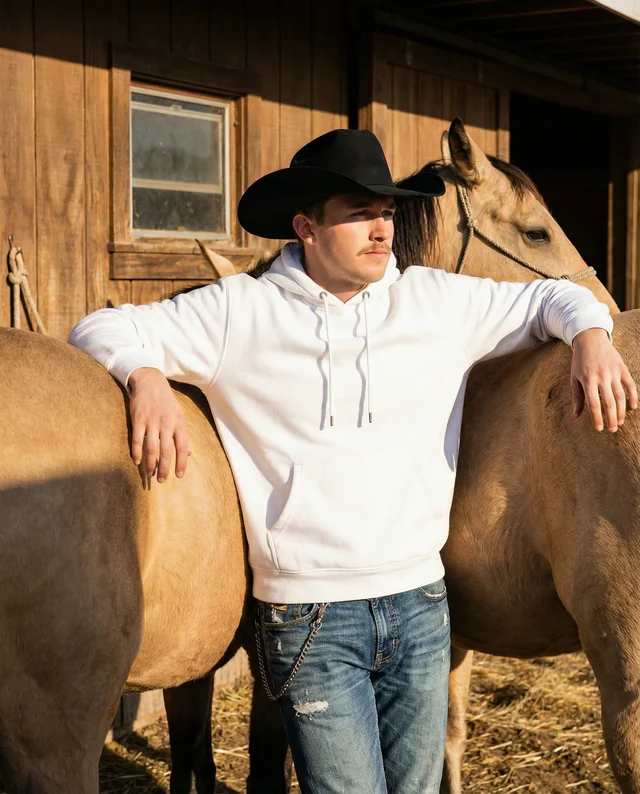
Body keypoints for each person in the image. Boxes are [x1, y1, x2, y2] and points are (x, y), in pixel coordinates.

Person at [69, 129, 636, 793]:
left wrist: (593, 338)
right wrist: (146, 376)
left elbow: (557, 296)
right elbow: (101, 328)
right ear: (306, 227)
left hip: (421, 607)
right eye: (359, 213)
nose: (381, 230)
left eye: (388, 213)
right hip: (311, 620)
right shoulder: (240, 311)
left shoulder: (431, 301)